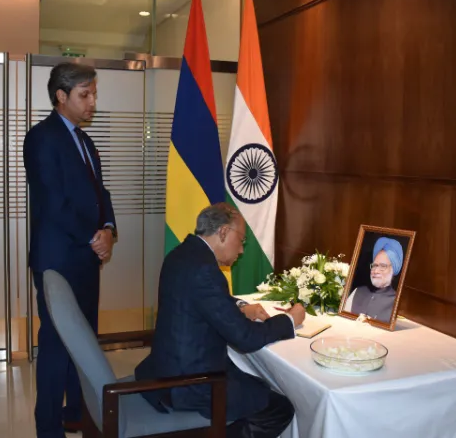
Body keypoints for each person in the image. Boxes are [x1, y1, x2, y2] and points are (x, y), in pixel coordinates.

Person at [136, 203, 305, 438]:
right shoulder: (205, 270)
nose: (242, 250)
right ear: (224, 232)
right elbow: (245, 338)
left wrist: (241, 306)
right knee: (279, 406)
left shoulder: (181, 254)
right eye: (242, 241)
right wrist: (289, 320)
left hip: (165, 366)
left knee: (256, 382)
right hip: (191, 383)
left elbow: (203, 300)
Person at [23, 62, 117, 438]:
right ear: (61, 97)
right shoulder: (42, 137)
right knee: (57, 347)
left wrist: (108, 229)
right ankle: (48, 426)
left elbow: (100, 194)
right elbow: (53, 202)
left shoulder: (85, 140)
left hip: (85, 258)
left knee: (85, 343)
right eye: (85, 94)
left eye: (93, 93)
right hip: (57, 262)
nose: (92, 101)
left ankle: (78, 412)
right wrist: (94, 236)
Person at [343, 237, 403, 322]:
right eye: (374, 265)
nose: (376, 270)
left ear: (393, 270)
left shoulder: (397, 302)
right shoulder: (358, 291)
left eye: (383, 266)